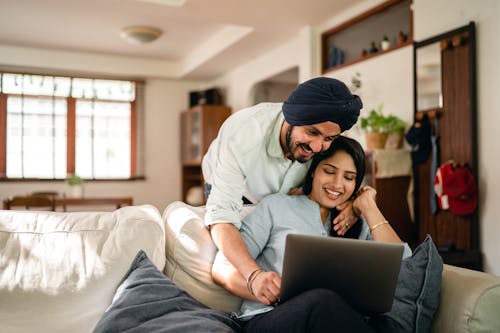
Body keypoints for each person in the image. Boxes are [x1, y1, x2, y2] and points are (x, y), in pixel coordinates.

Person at [212, 136, 412, 332]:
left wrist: (369, 207)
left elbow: (405, 265)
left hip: (340, 321)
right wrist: (259, 286)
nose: (337, 184)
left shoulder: (359, 222)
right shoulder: (276, 207)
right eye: (329, 171)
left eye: (349, 178)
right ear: (313, 171)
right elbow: (222, 268)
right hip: (271, 318)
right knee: (321, 300)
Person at [202, 77, 363, 305]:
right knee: (233, 254)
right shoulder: (244, 133)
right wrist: (254, 275)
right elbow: (221, 218)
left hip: (282, 193)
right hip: (234, 187)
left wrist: (354, 203)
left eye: (328, 139)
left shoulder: (325, 136)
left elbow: (346, 173)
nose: (318, 148)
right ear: (291, 119)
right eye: (312, 133)